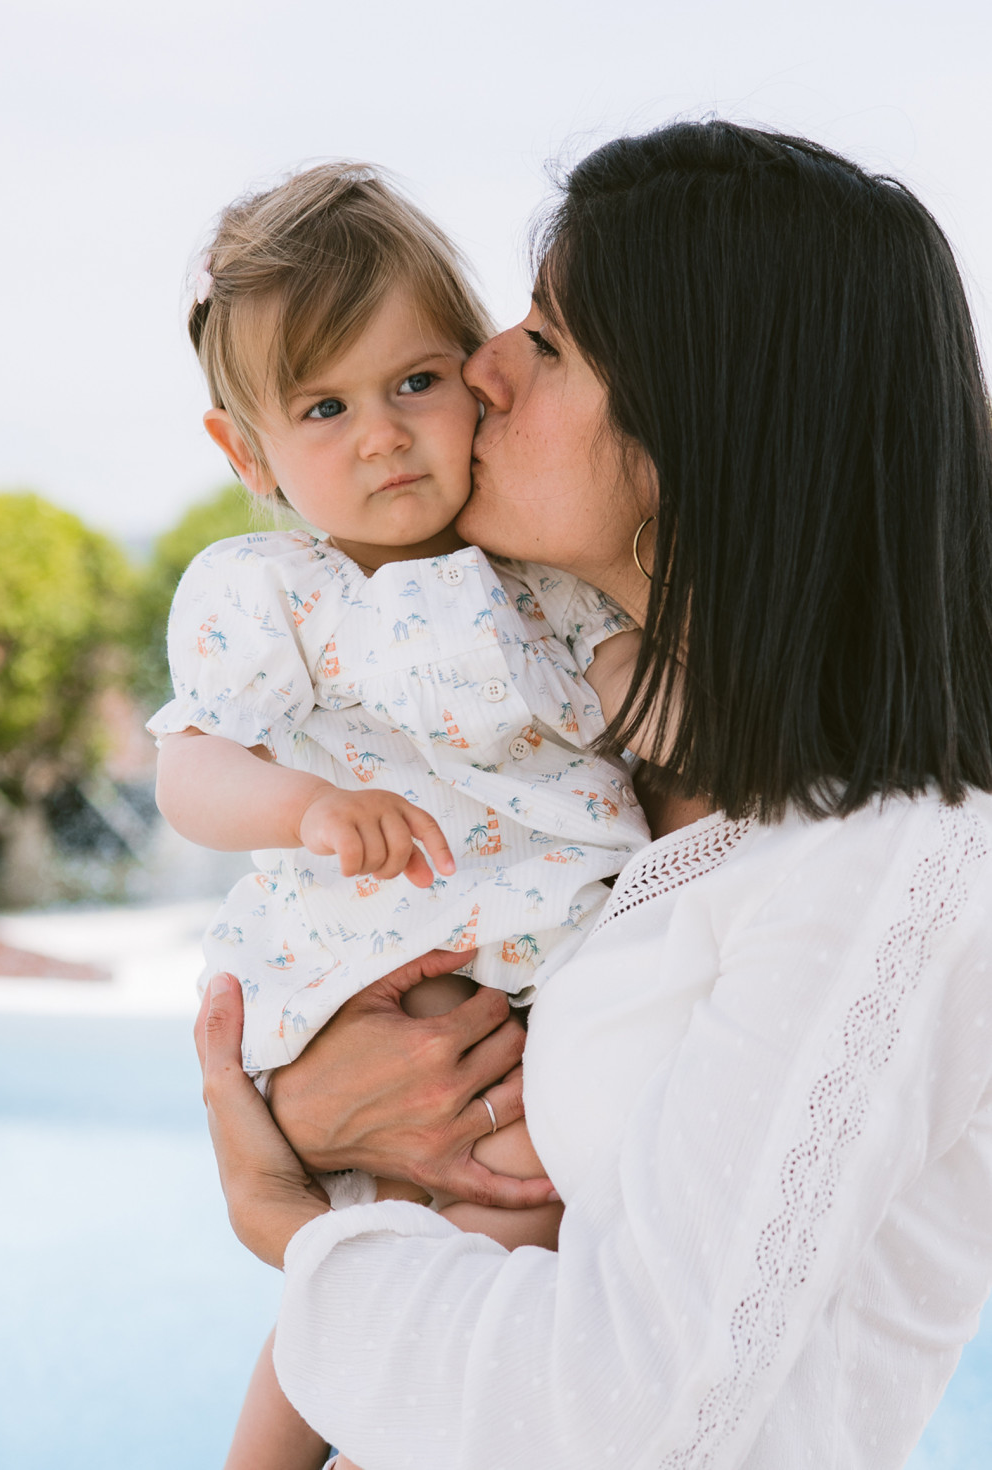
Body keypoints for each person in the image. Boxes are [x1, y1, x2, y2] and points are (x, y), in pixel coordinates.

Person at [194, 121, 992, 1470]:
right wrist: (310, 1106)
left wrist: (289, 1216)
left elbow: (632, 1412)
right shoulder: (599, 758)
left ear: (709, 425)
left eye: (548, 343)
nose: (481, 367)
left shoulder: (894, 859)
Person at [149, 163, 648, 1468]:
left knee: (468, 1235)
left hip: (529, 966)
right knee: (432, 1228)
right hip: (370, 957)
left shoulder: (536, 578)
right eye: (325, 406)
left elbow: (620, 689)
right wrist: (304, 804)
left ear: (472, 372)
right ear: (245, 449)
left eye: (411, 382)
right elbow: (186, 765)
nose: (380, 433)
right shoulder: (279, 595)